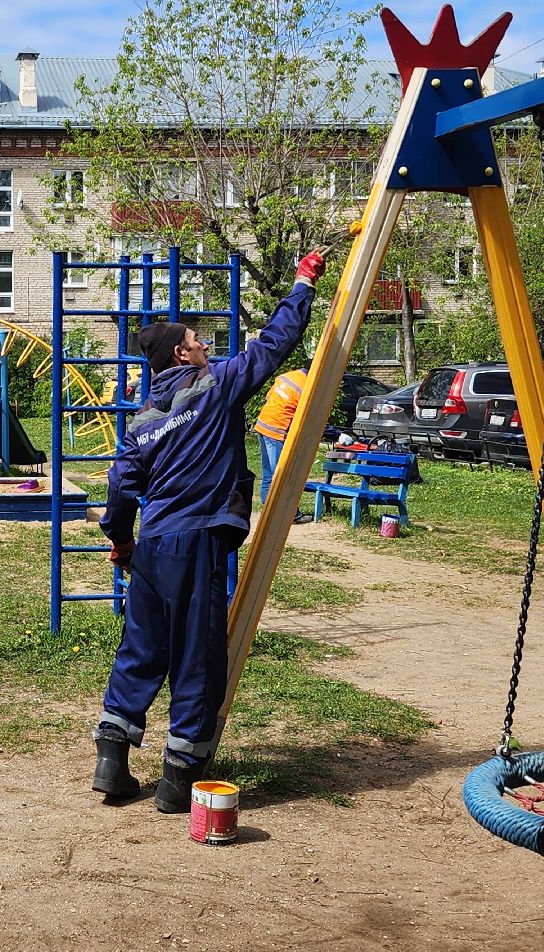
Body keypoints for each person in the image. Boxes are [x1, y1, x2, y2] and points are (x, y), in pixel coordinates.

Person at [92, 249, 326, 812]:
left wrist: (122, 542)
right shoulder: (215, 386)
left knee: (142, 647)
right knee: (198, 654)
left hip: (153, 546)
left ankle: (112, 758)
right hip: (199, 542)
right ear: (181, 352)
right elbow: (273, 345)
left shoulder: (142, 423)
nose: (206, 345)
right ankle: (178, 778)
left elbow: (121, 487)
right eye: (198, 340)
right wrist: (301, 284)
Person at [253, 367, 315, 524]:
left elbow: (269, 398)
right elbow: (308, 417)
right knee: (282, 475)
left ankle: (267, 507)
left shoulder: (287, 376)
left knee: (268, 472)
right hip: (276, 432)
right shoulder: (308, 386)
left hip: (262, 426)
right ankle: (291, 514)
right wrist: (337, 434)